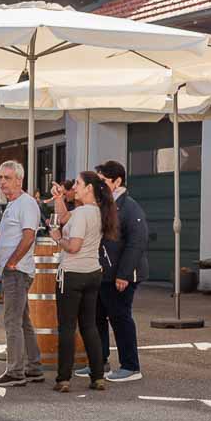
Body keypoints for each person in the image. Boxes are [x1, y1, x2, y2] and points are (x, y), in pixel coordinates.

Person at [50, 172, 117, 392]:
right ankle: (98, 377)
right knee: (89, 326)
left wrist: (58, 238)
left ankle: (63, 379)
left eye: (78, 183)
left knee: (67, 328)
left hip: (72, 274)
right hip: (93, 273)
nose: (74, 187)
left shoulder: (81, 213)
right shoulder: (99, 211)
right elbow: (64, 217)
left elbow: (73, 246)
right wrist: (59, 198)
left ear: (89, 188)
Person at [87, 160, 148, 383]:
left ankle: (131, 366)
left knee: (120, 318)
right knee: (97, 317)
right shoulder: (106, 204)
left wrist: (124, 274)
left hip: (121, 275)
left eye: (103, 181)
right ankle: (99, 363)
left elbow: (137, 242)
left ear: (117, 181)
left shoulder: (130, 207)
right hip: (103, 273)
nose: (99, 185)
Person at [0, 160, 43, 386]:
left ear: (19, 180)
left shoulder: (26, 203)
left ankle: (15, 372)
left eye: (7, 178)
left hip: (17, 272)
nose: (2, 182)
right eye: (0, 177)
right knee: (22, 320)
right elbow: (17, 236)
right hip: (14, 271)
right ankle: (34, 368)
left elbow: (29, 236)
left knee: (12, 321)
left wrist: (12, 262)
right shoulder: (13, 204)